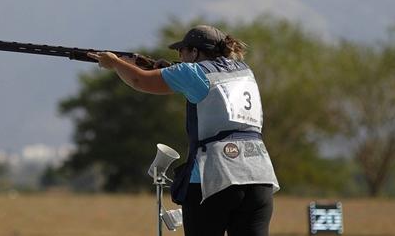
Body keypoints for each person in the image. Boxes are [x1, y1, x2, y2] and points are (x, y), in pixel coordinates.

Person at [88, 25, 279, 236]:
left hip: (214, 176)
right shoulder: (244, 70)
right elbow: (215, 81)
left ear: (195, 52)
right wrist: (168, 68)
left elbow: (138, 80)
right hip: (259, 175)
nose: (179, 55)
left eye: (182, 51)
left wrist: (114, 63)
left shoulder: (192, 72)